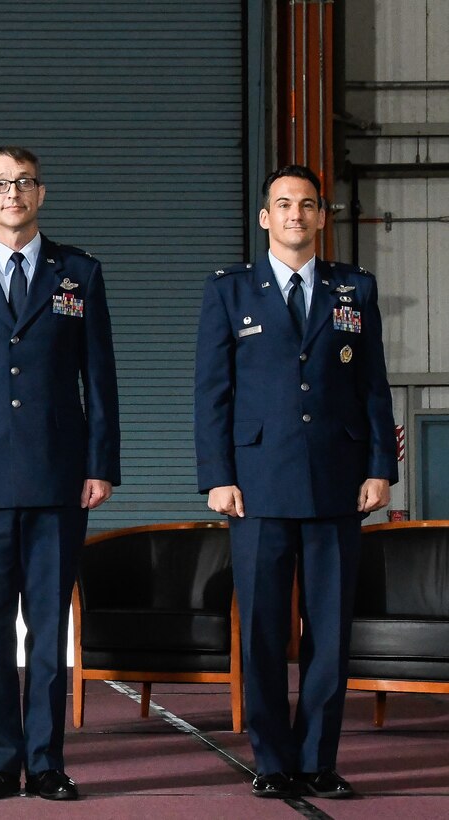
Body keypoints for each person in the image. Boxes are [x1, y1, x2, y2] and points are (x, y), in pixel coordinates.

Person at [0, 147, 121, 801]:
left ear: (41, 192)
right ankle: (1, 761)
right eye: (0, 184)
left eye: (24, 182)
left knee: (48, 627)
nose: (13, 194)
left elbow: (100, 378)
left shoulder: (78, 274)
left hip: (59, 476)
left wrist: (101, 464)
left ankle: (47, 760)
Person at [194, 164, 398, 800]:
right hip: (256, 486)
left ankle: (317, 760)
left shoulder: (354, 289)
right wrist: (217, 476)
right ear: (265, 217)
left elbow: (373, 385)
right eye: (283, 204)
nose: (295, 215)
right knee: (261, 631)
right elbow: (212, 394)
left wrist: (380, 468)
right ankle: (273, 760)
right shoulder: (230, 291)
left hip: (338, 481)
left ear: (322, 217)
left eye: (307, 205)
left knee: (329, 632)